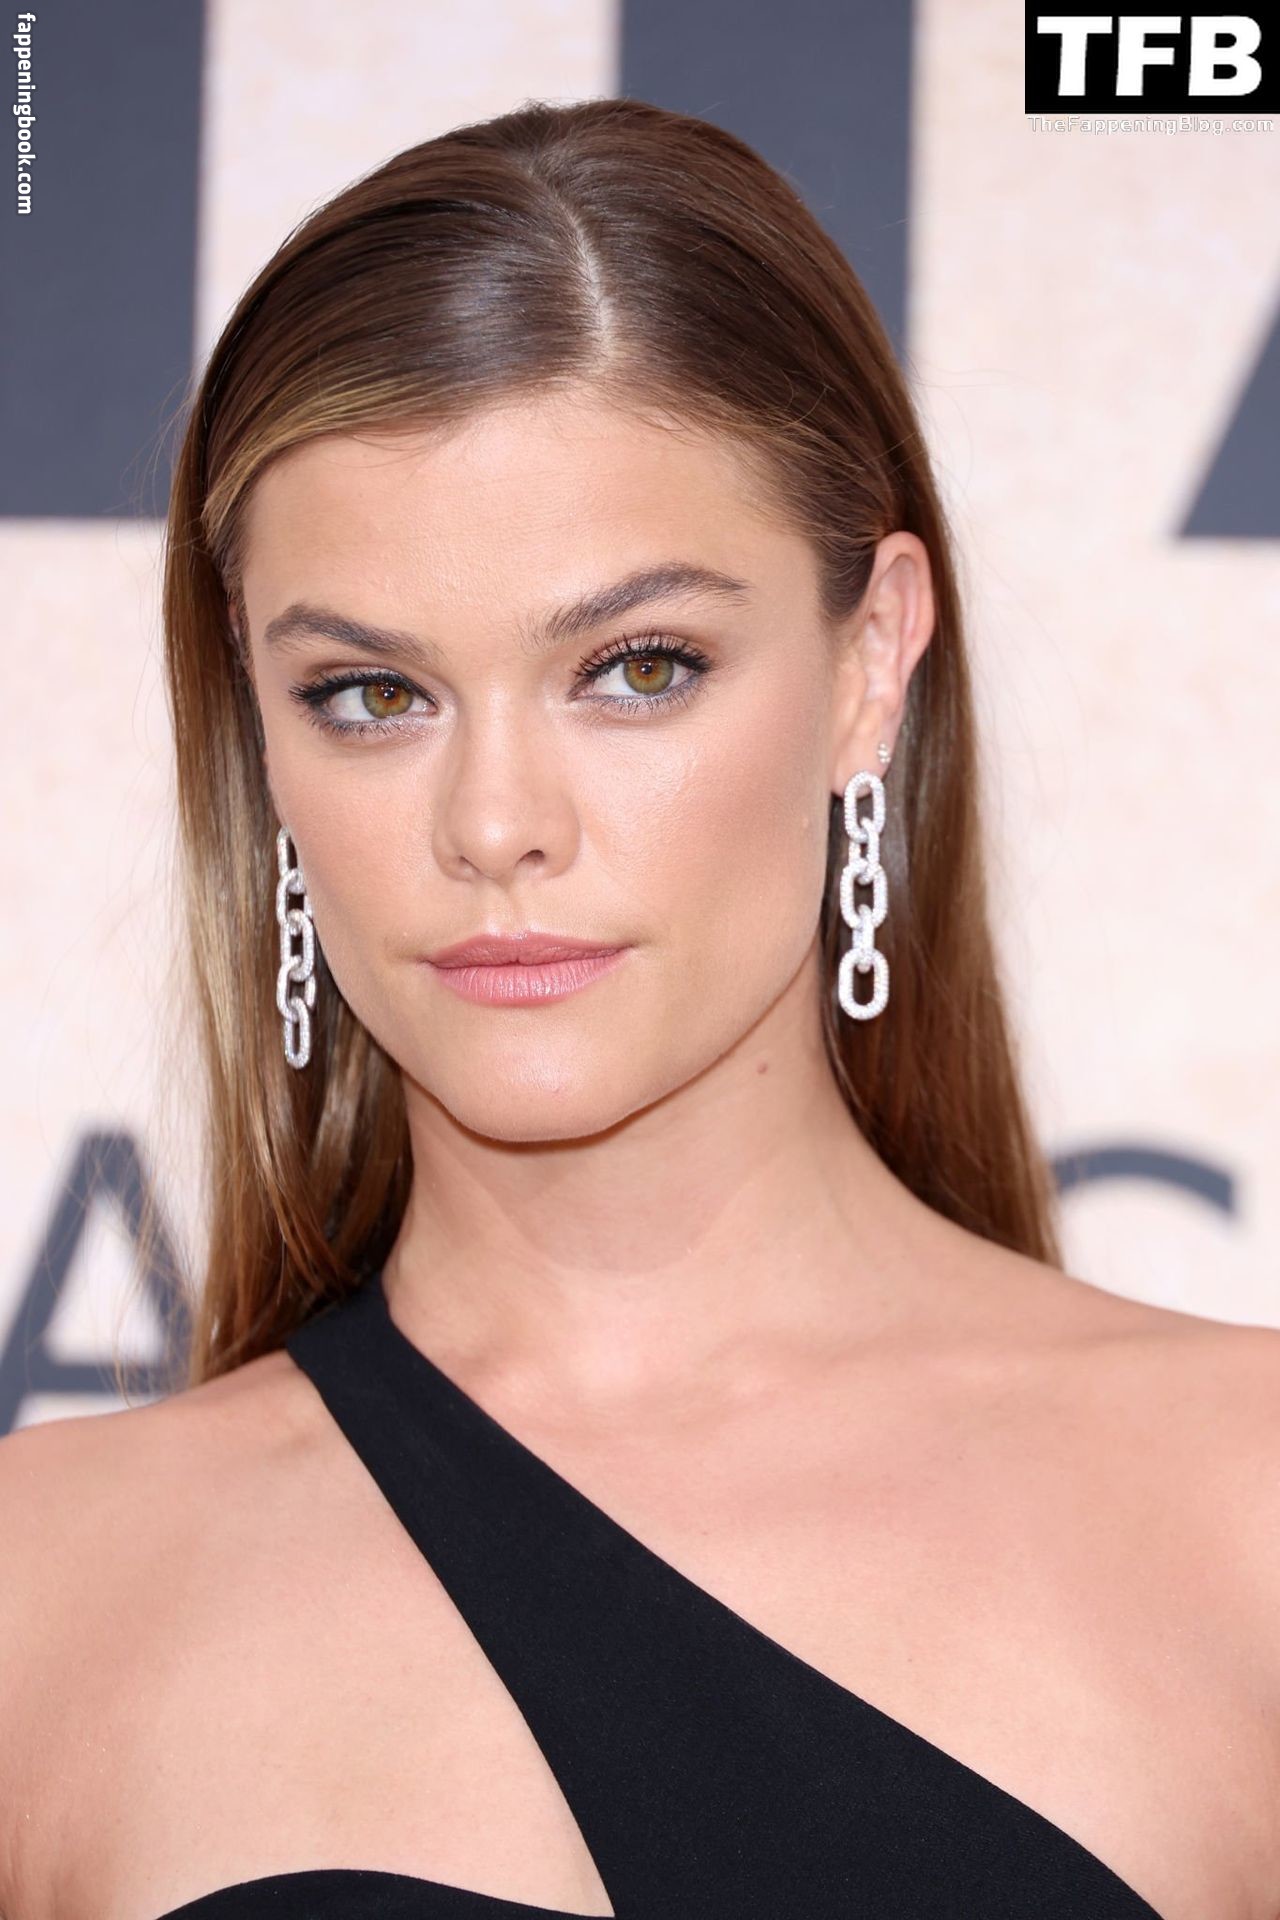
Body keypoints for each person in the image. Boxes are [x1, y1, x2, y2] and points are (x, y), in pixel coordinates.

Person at [1, 96, 1277, 1920]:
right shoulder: (45, 1596)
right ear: (257, 733)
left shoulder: (1243, 1515)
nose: (494, 823)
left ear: (870, 664)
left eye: (636, 667)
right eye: (371, 695)